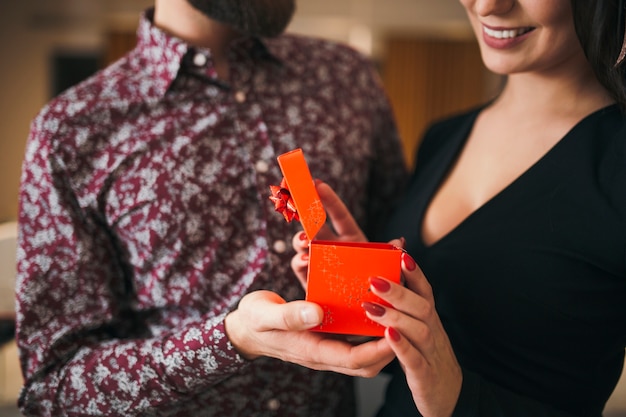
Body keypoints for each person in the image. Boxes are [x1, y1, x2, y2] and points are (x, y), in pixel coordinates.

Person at [14, 0, 408, 415]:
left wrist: (364, 298)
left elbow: (402, 269)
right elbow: (52, 388)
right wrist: (230, 339)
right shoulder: (72, 130)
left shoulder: (347, 79)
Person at [291, 0, 626, 416]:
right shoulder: (442, 136)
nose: (486, 4)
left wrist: (457, 398)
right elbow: (423, 353)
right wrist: (362, 293)